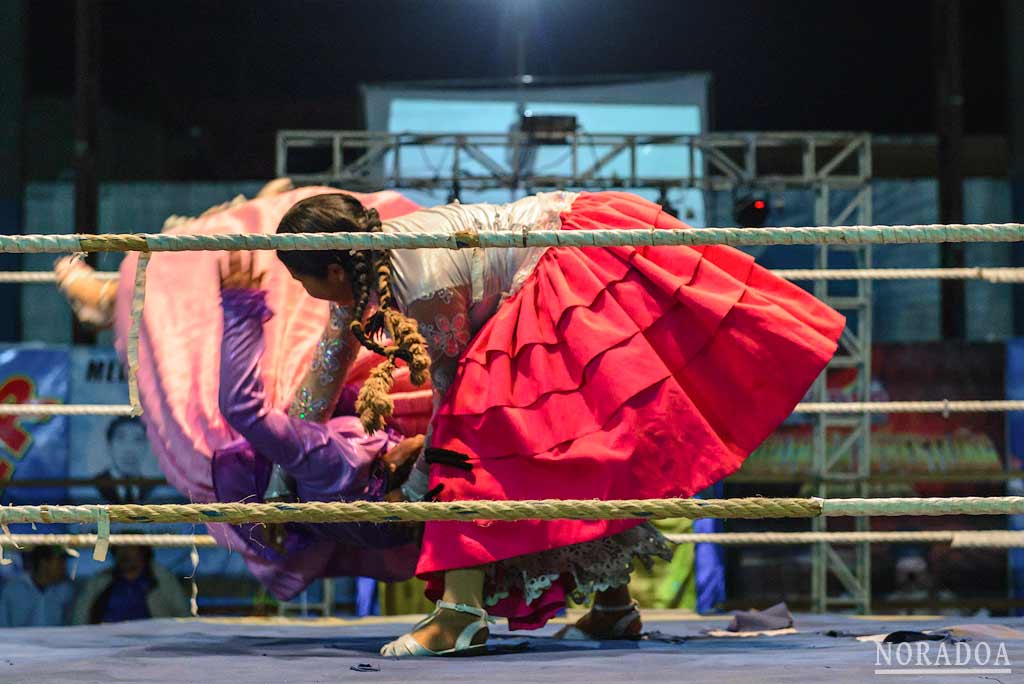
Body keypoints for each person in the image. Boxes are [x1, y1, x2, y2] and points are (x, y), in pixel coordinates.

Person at [275, 190, 846, 656]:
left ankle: (459, 616)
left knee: (475, 439)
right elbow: (325, 372)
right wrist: (280, 478)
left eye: (304, 281)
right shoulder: (364, 268)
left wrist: (417, 478)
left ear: (331, 268)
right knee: (572, 448)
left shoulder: (421, 281)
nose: (305, 294)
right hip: (558, 256)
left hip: (566, 264)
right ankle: (614, 609)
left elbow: (457, 402)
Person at [55, 183, 432, 599]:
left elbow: (248, 408)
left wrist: (241, 310)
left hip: (262, 451)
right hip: (308, 466)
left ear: (394, 464)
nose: (412, 448)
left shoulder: (334, 461)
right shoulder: (382, 454)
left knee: (192, 327)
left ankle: (123, 293)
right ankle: (218, 227)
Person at [72, 544, 189, 624]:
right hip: (105, 647)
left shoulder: (162, 579)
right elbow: (79, 617)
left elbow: (183, 615)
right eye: (120, 548)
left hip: (152, 647)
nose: (124, 553)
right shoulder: (100, 581)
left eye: (131, 547)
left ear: (143, 552)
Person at [0, 546, 73, 628]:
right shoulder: (12, 590)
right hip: (18, 641)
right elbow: (3, 627)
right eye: (60, 562)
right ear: (44, 562)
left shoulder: (66, 590)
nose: (64, 567)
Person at [95, 416, 156, 504]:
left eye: (138, 440)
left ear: (147, 446)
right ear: (109, 445)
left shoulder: (152, 487)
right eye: (121, 439)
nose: (129, 449)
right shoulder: (94, 485)